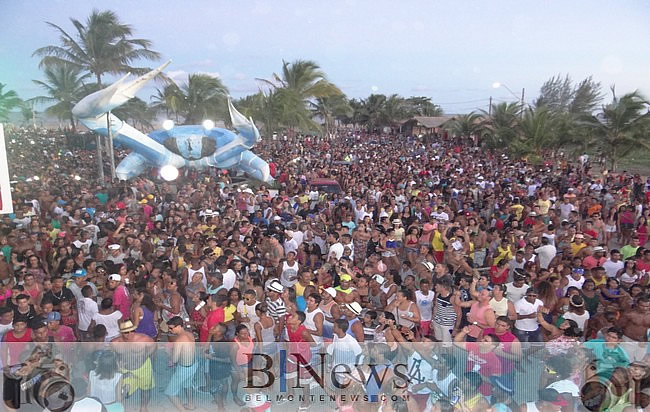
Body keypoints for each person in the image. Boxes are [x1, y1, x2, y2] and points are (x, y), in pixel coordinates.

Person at [111, 320, 156, 412]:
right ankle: (122, 407)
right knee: (121, 390)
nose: (130, 334)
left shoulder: (144, 339)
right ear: (121, 333)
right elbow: (112, 356)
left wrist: (146, 356)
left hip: (143, 367)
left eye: (132, 331)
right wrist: (117, 363)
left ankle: (143, 407)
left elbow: (154, 346)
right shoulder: (115, 343)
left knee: (146, 389)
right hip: (125, 369)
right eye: (126, 332)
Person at [165, 316, 198, 412]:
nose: (170, 330)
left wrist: (169, 352)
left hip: (184, 368)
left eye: (171, 328)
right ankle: (191, 404)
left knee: (170, 393)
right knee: (187, 384)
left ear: (179, 326)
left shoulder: (179, 340)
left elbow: (174, 360)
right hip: (193, 364)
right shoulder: (189, 334)